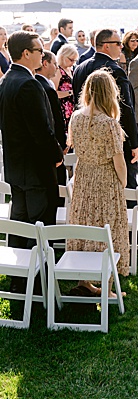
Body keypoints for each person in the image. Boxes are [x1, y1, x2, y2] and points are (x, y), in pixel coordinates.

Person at [65, 70, 130, 294]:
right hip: (105, 178)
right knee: (107, 226)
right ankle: (107, 286)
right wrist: (122, 183)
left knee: (84, 221)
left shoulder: (76, 117)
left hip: (83, 175)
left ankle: (83, 281)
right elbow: (118, 160)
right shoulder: (109, 123)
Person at [0, 31, 61, 253]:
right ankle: (37, 281)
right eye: (40, 51)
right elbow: (41, 131)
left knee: (20, 224)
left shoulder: (6, 80)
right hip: (35, 170)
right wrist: (57, 155)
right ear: (26, 53)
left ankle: (19, 279)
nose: (43, 55)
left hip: (16, 167)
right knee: (39, 227)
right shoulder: (28, 84)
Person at [73, 29, 138, 200]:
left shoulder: (80, 68)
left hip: (86, 138)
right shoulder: (115, 71)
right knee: (124, 187)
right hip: (114, 138)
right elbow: (126, 109)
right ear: (105, 46)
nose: (121, 47)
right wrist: (134, 143)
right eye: (117, 43)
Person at [54, 45, 77, 125]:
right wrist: (70, 92)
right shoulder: (58, 71)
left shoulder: (71, 70)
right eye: (71, 60)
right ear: (63, 57)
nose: (73, 63)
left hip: (72, 106)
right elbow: (54, 93)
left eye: (75, 60)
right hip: (63, 108)